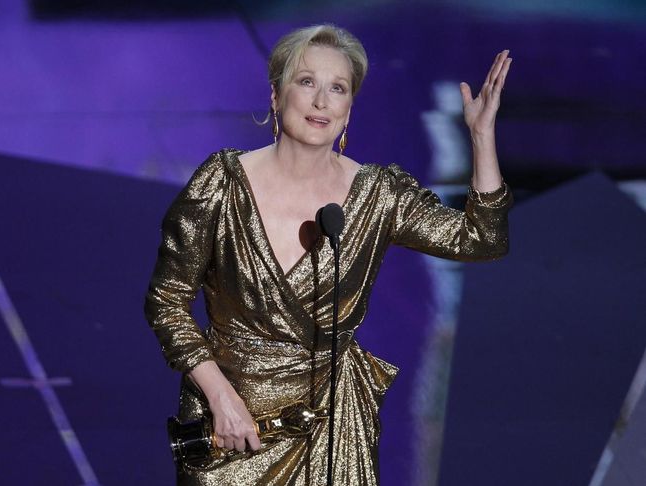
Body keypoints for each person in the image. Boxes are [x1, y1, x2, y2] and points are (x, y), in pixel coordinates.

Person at [144, 24, 513, 485]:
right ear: (277, 96)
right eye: (307, 82)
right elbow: (166, 300)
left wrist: (481, 137)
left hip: (333, 431)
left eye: (337, 88)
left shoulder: (378, 195)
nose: (322, 101)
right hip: (233, 430)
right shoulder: (221, 185)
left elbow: (481, 240)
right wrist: (220, 397)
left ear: (348, 109)